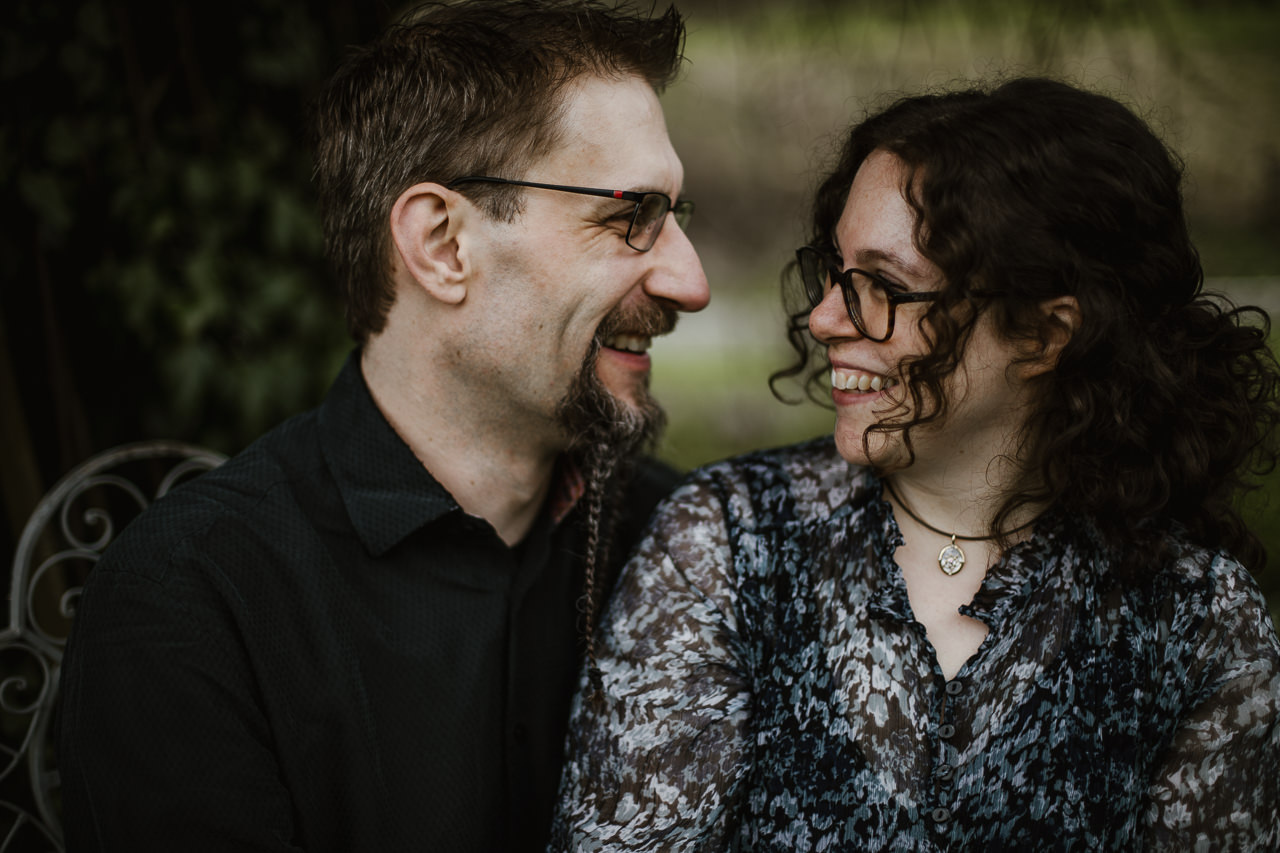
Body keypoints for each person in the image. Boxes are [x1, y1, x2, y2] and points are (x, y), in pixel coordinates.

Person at [551, 77, 1280, 851]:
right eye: (836, 270)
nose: (824, 318)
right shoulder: (728, 542)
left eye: (885, 286)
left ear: (1042, 334)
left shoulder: (1198, 620)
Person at [57, 2, 708, 851]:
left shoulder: (687, 549)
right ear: (441, 244)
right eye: (630, 217)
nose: (690, 282)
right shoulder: (195, 604)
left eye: (677, 217)